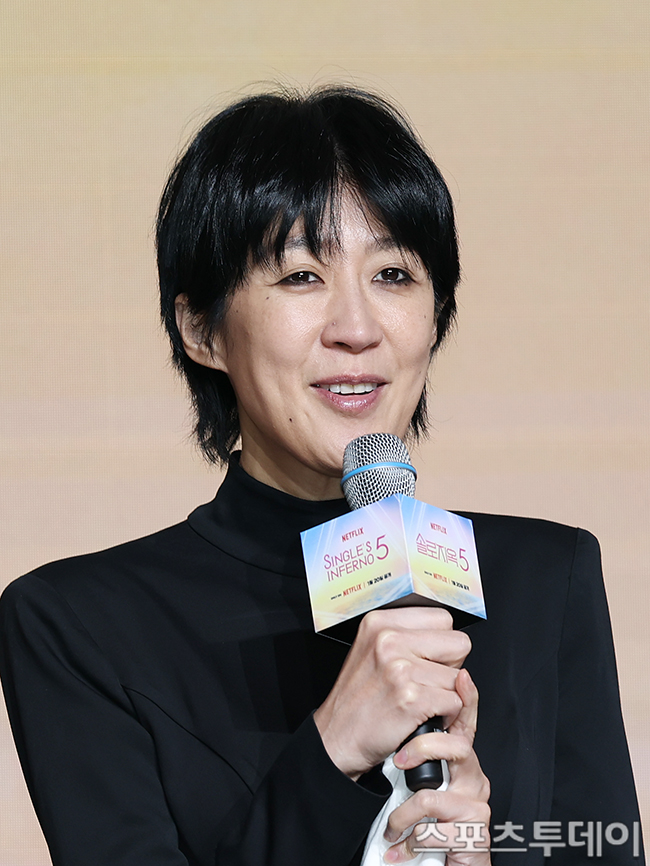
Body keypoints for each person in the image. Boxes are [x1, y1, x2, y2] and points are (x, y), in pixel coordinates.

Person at [0, 86, 642, 866]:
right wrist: (333, 749)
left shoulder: (545, 579)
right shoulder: (77, 624)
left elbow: (597, 845)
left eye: (394, 274)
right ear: (201, 329)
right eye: (301, 276)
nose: (357, 329)